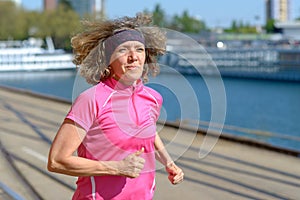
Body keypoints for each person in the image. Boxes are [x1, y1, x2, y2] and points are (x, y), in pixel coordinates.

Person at [47, 13, 184, 200]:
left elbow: (149, 132)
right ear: (107, 61)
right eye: (123, 50)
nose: (133, 57)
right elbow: (57, 160)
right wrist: (117, 168)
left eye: (139, 49)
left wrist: (168, 162)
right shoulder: (92, 100)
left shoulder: (152, 98)